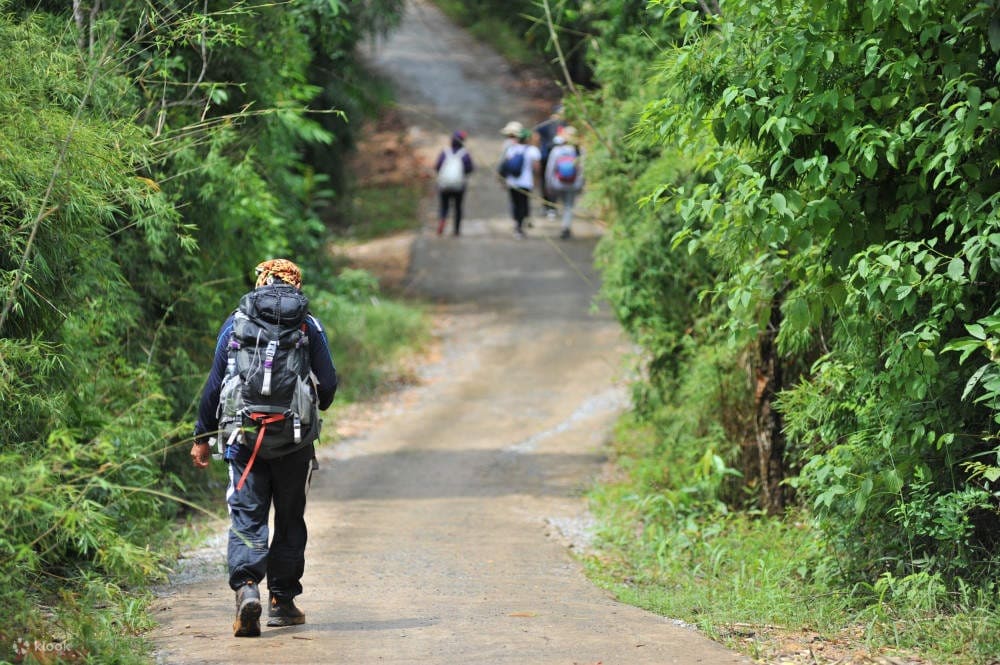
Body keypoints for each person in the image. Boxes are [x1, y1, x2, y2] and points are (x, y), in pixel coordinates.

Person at [190, 258, 338, 638]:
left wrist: (202, 438)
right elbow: (329, 384)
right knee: (290, 518)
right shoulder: (308, 323)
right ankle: (282, 603)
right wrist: (311, 404)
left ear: (261, 281)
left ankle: (246, 589)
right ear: (295, 286)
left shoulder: (237, 321)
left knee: (247, 516)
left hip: (244, 441)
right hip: (294, 443)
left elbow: (214, 384)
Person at [543, 126, 585, 239]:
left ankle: (564, 225)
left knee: (562, 204)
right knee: (569, 205)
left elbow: (550, 169)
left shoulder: (557, 151)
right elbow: (583, 169)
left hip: (558, 183)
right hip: (574, 183)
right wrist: (582, 184)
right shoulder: (579, 151)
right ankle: (566, 227)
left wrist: (548, 184)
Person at [499, 127, 541, 238]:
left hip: (512, 182)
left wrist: (503, 180)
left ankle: (517, 225)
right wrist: (536, 180)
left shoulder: (511, 149)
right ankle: (520, 227)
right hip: (526, 182)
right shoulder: (532, 150)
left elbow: (506, 165)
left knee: (515, 203)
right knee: (523, 203)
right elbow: (536, 167)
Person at [434, 130, 474, 236]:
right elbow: (470, 169)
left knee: (444, 206)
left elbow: (438, 166)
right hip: (459, 185)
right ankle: (456, 229)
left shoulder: (445, 152)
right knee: (458, 207)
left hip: (444, 185)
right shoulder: (465, 154)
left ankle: (442, 220)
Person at [533, 104, 565, 217]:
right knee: (549, 183)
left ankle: (549, 207)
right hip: (550, 158)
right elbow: (536, 134)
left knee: (549, 183)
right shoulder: (556, 124)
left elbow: (535, 134)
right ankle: (549, 207)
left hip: (552, 158)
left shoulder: (560, 125)